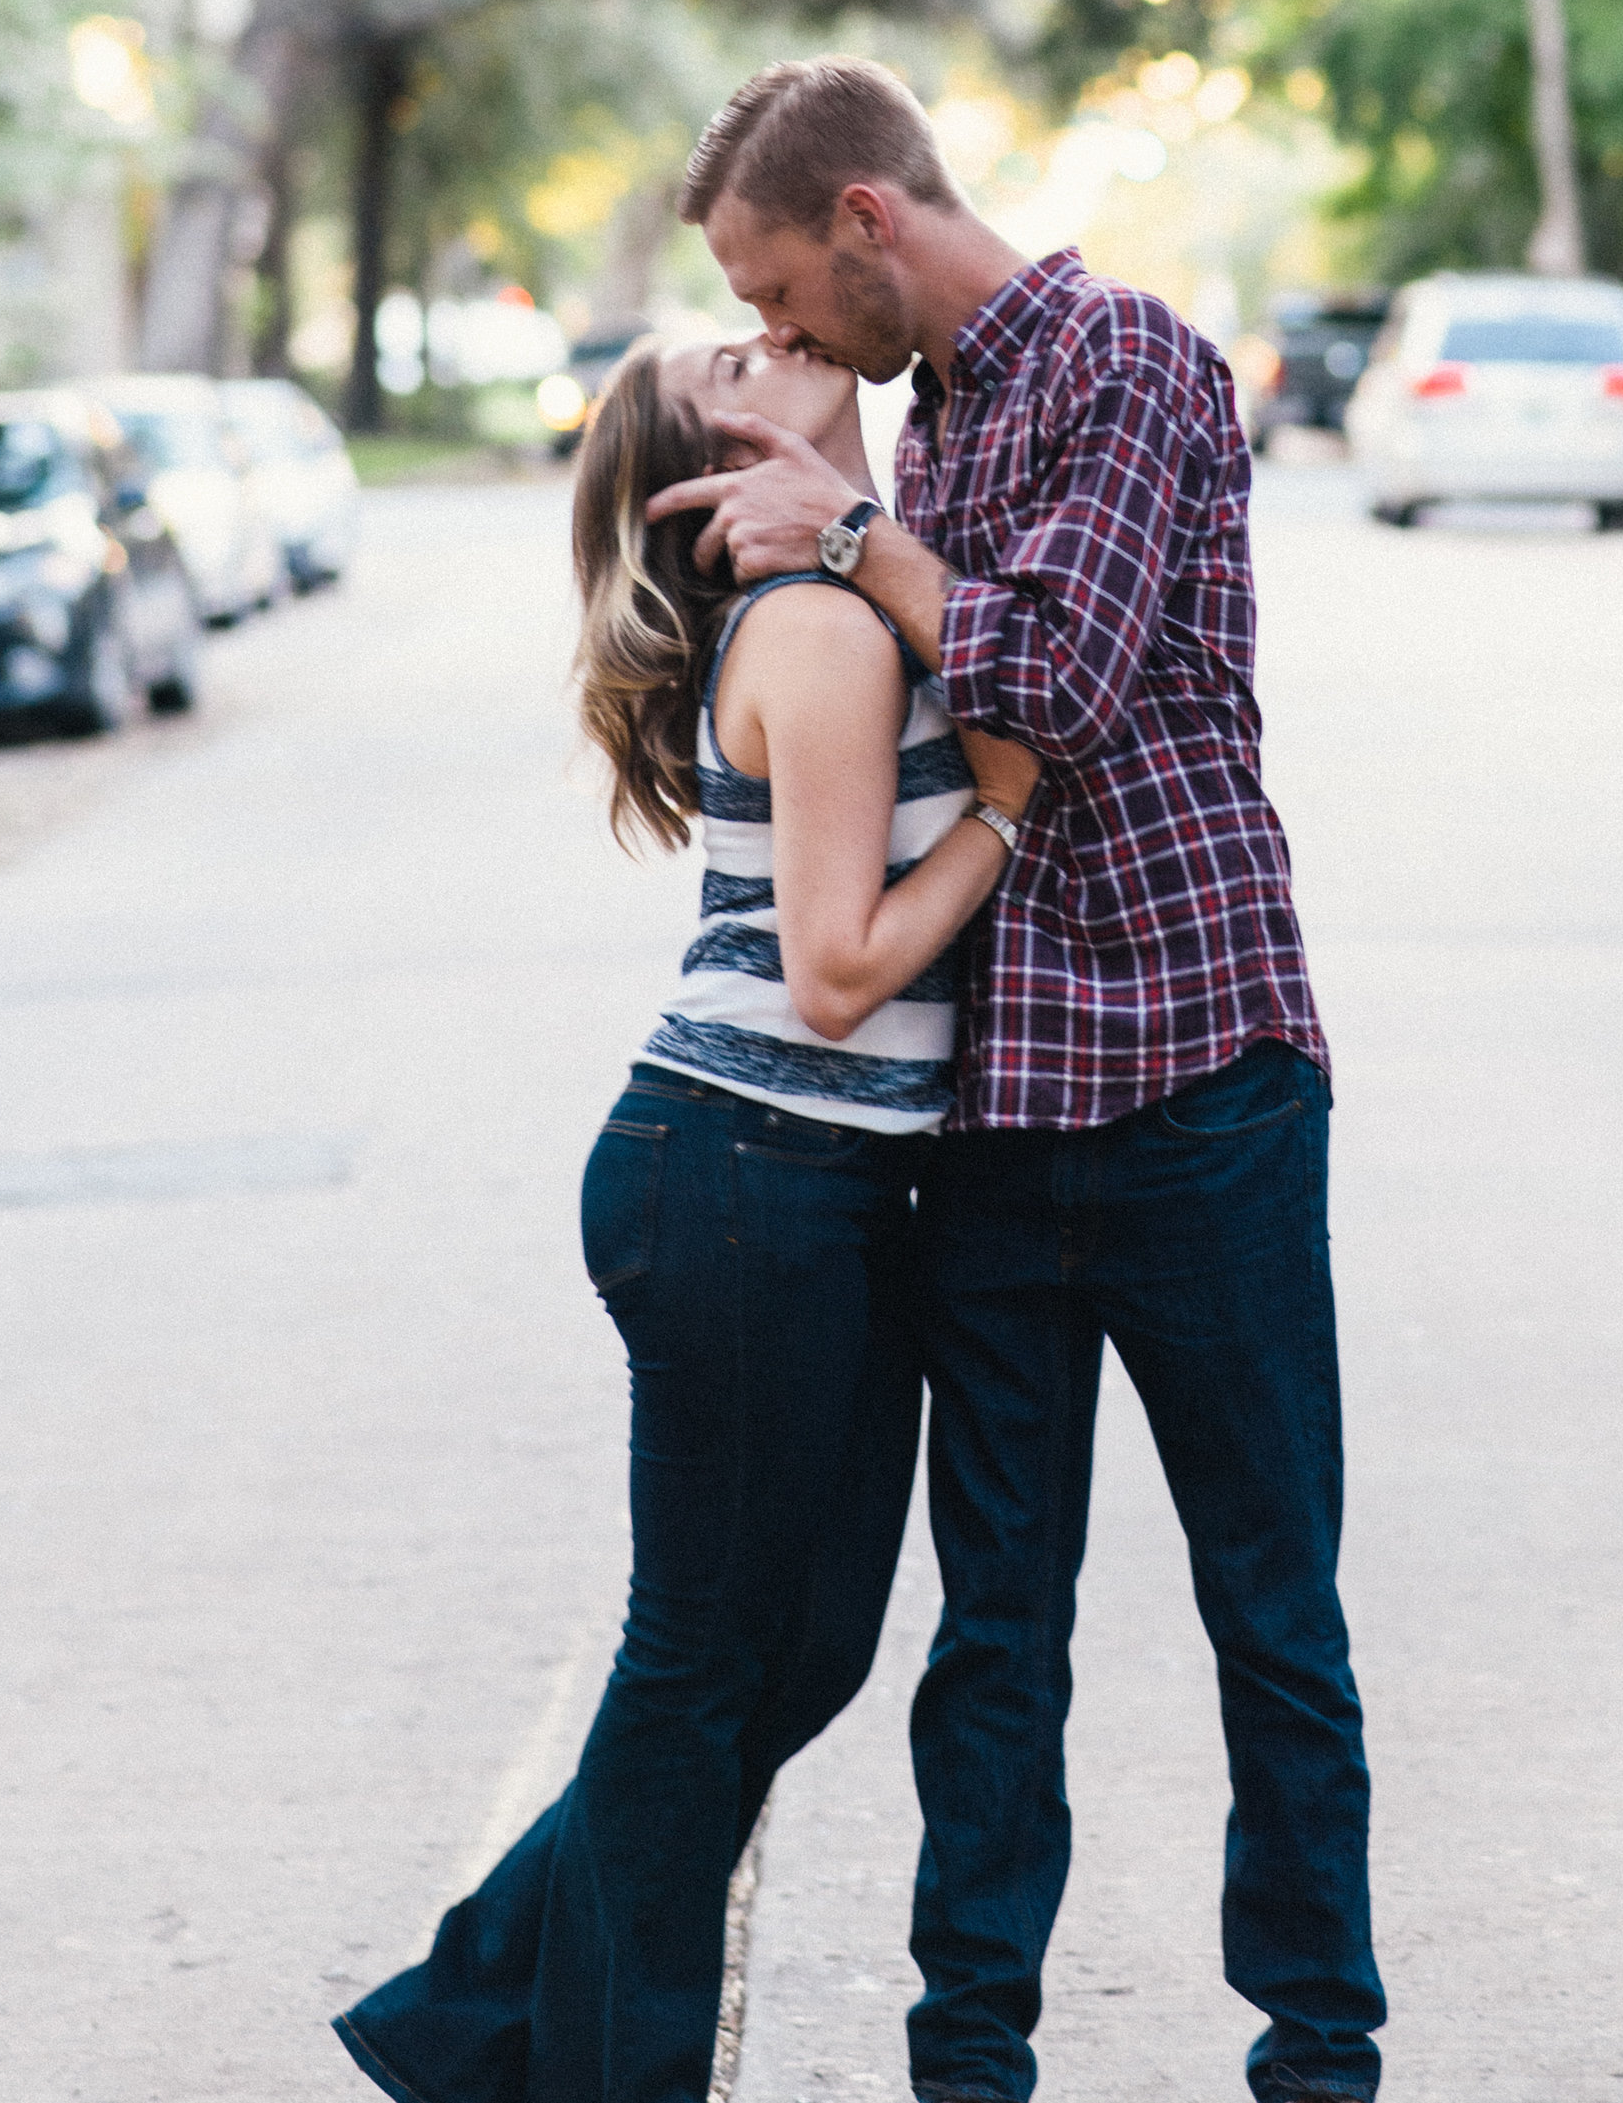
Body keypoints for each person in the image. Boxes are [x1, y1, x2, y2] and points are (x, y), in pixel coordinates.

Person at [647, 58, 1384, 2103]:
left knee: (1269, 1611)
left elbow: (1049, 675)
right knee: (994, 1642)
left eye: (784, 293)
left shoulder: (1129, 358)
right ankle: (966, 2066)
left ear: (870, 217)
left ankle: (1317, 2059)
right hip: (987, 1130)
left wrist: (857, 528)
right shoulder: (925, 422)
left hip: (1195, 1087)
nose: (782, 340)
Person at [335, 326, 1038, 2103]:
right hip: (741, 1175)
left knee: (796, 1650)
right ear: (703, 463)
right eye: (741, 347)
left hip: (813, 1193)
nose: (785, 336)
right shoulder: (813, 630)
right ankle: (603, 2073)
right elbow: (835, 971)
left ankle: (465, 2015)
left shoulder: (850, 590)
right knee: (699, 1659)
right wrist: (1009, 818)